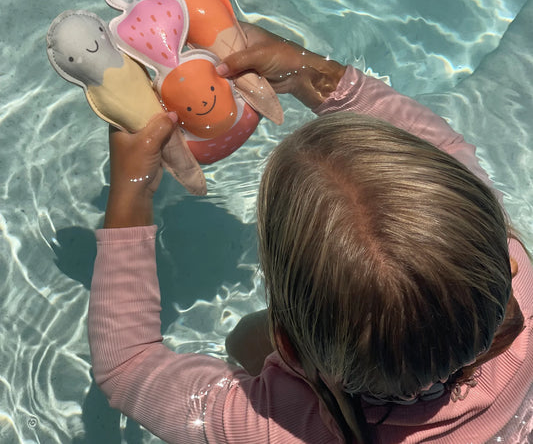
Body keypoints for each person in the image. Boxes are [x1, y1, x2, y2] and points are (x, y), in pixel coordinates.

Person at [88, 23, 532, 443]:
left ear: (290, 350)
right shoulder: (524, 291)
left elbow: (127, 366)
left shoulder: (280, 425)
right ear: (505, 263)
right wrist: (312, 72)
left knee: (244, 338)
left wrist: (132, 187)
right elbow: (449, 151)